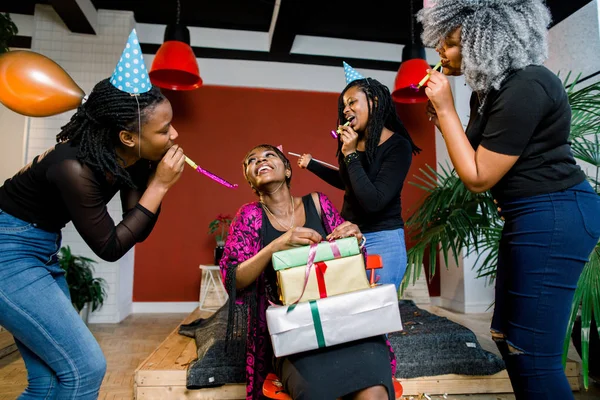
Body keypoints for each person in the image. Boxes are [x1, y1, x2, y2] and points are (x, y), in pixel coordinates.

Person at [418, 1, 600, 398]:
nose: (440, 53)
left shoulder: (528, 85)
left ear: (488, 38)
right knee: (506, 338)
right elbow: (477, 164)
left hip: (556, 215)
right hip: (531, 214)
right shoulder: (485, 94)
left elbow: (479, 177)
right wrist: (445, 115)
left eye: (449, 43)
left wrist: (445, 110)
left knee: (532, 354)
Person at [0, 30, 184, 399]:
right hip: (8, 250)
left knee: (49, 380)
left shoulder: (129, 158)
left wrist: (152, 179)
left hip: (37, 249)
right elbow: (111, 246)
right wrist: (160, 186)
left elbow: (136, 226)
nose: (174, 135)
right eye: (164, 130)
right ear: (128, 136)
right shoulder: (74, 166)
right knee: (85, 369)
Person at [220, 144, 396, 399]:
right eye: (252, 160)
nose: (261, 160)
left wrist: (354, 238)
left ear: (288, 170)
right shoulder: (248, 217)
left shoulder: (318, 203)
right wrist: (276, 246)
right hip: (297, 337)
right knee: (316, 392)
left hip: (348, 325)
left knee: (374, 390)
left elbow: (352, 263)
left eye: (270, 155)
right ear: (250, 180)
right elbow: (233, 279)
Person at [297, 64, 421, 290]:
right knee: (347, 312)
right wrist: (314, 165)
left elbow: (374, 201)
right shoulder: (352, 146)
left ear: (373, 100)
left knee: (376, 315)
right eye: (343, 105)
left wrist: (351, 154)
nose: (345, 110)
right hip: (348, 237)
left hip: (383, 239)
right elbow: (350, 184)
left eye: (352, 102)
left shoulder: (398, 146)